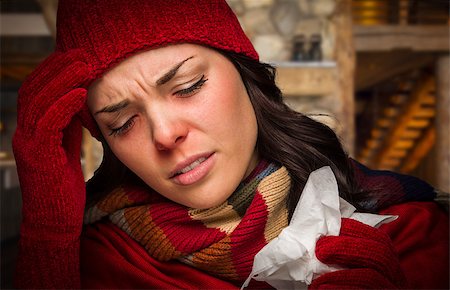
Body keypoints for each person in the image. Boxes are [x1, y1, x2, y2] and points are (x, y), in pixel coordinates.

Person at [12, 0, 448, 289]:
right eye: (123, 123)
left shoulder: (410, 227)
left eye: (188, 86)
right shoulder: (98, 265)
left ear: (245, 75)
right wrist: (48, 236)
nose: (165, 135)